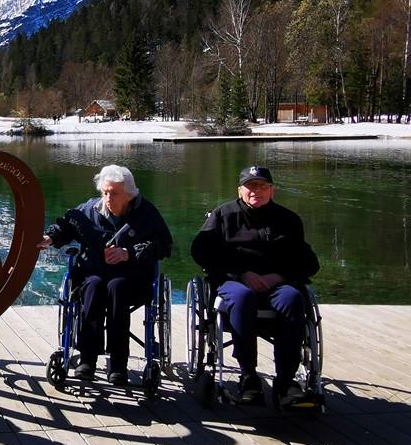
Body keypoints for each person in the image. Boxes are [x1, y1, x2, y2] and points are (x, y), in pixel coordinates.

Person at [190, 165, 319, 409]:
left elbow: (307, 262)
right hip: (235, 281)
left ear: (272, 191)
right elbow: (201, 252)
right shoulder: (222, 216)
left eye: (261, 186)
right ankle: (249, 376)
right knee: (242, 297)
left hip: (277, 283)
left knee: (293, 299)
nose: (255, 191)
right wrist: (240, 273)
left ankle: (286, 382)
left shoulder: (289, 220)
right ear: (240, 191)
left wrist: (278, 276)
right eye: (250, 186)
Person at [39, 164, 173, 384]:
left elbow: (164, 244)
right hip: (95, 272)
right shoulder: (90, 209)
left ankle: (118, 363)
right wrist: (50, 238)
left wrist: (128, 253)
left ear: (129, 195)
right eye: (105, 192)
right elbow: (68, 225)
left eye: (114, 193)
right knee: (93, 286)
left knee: (117, 287)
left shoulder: (147, 214)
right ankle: (87, 359)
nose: (108, 197)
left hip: (132, 277)